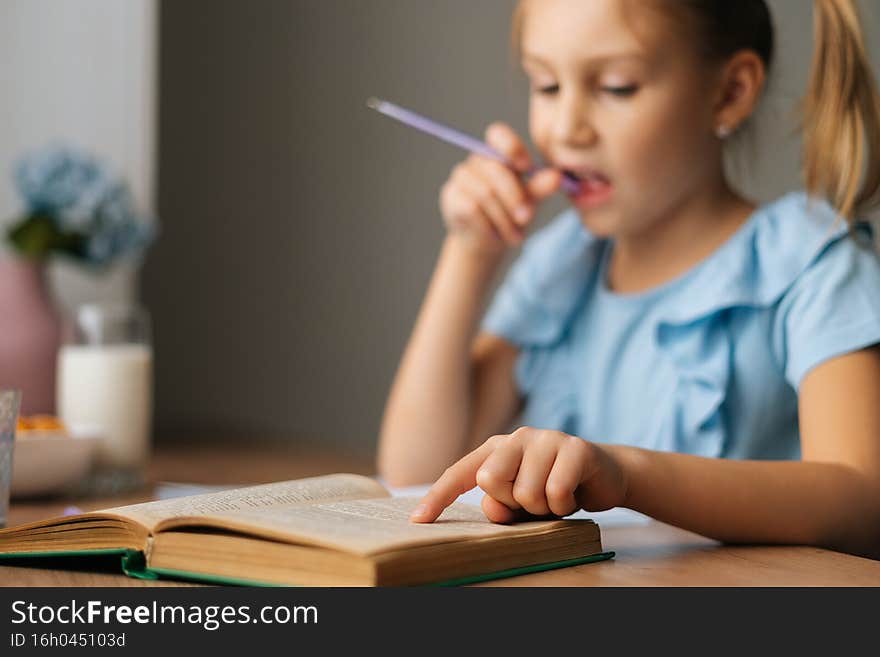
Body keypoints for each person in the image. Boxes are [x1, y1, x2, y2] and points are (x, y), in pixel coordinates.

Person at [377, 0, 880, 558]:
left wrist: (628, 474)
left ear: (731, 91)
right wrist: (469, 254)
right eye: (546, 85)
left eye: (617, 87)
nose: (566, 129)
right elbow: (415, 474)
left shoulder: (810, 264)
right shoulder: (561, 266)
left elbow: (863, 501)